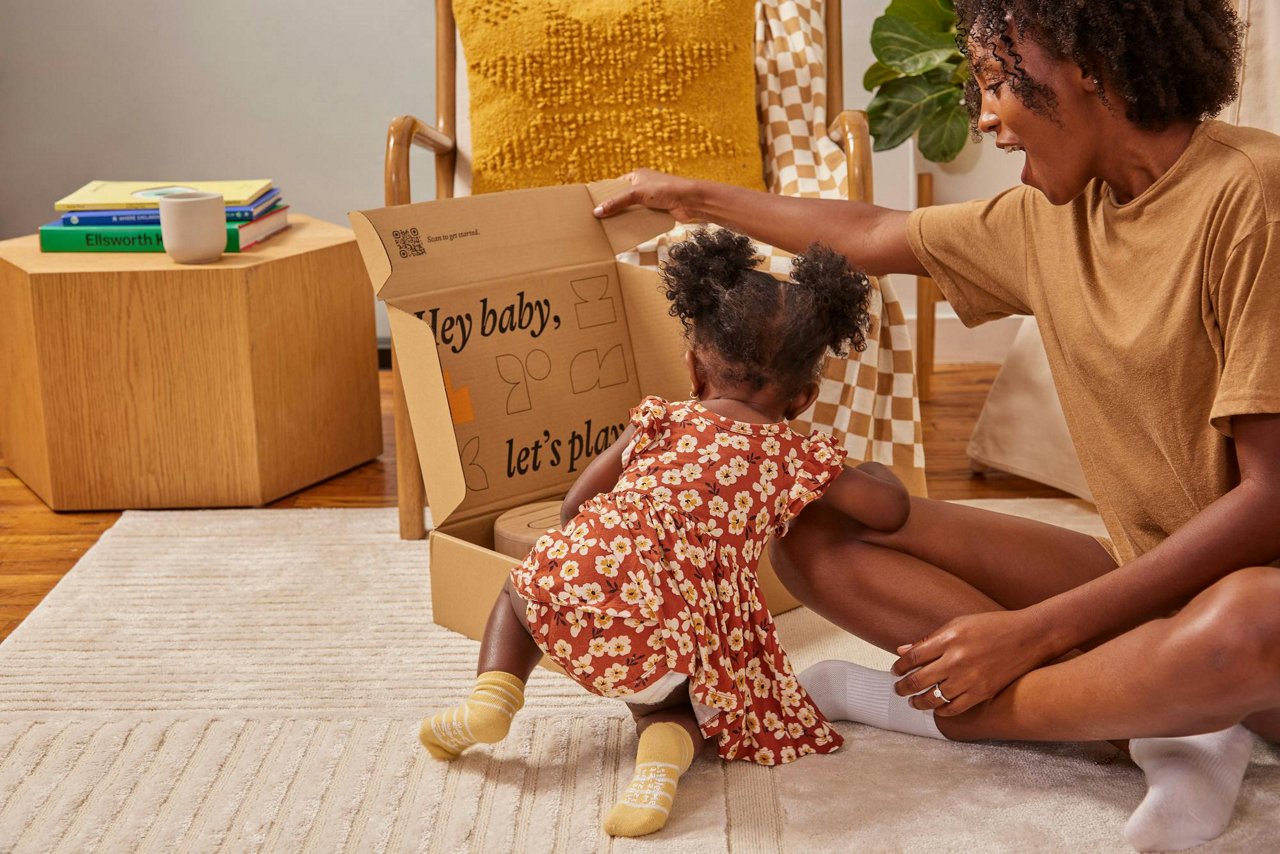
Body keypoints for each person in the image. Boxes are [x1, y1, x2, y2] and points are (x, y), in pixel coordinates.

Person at [593, 1, 1280, 850]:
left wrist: (1031, 634)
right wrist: (690, 194)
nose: (985, 115)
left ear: (1088, 62)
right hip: (1155, 585)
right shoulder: (1053, 214)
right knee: (817, 524)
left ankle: (1016, 713)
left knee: (1258, 615)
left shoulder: (1250, 195)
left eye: (996, 81)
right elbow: (873, 233)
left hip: (1256, 610)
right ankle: (1163, 718)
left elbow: (1270, 501)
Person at [418, 228, 913, 837]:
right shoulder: (798, 455)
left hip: (600, 570)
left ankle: (492, 699)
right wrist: (870, 470)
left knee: (520, 592)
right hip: (686, 619)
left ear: (694, 367)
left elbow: (576, 506)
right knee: (677, 701)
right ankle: (659, 763)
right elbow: (888, 511)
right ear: (805, 397)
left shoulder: (662, 419)